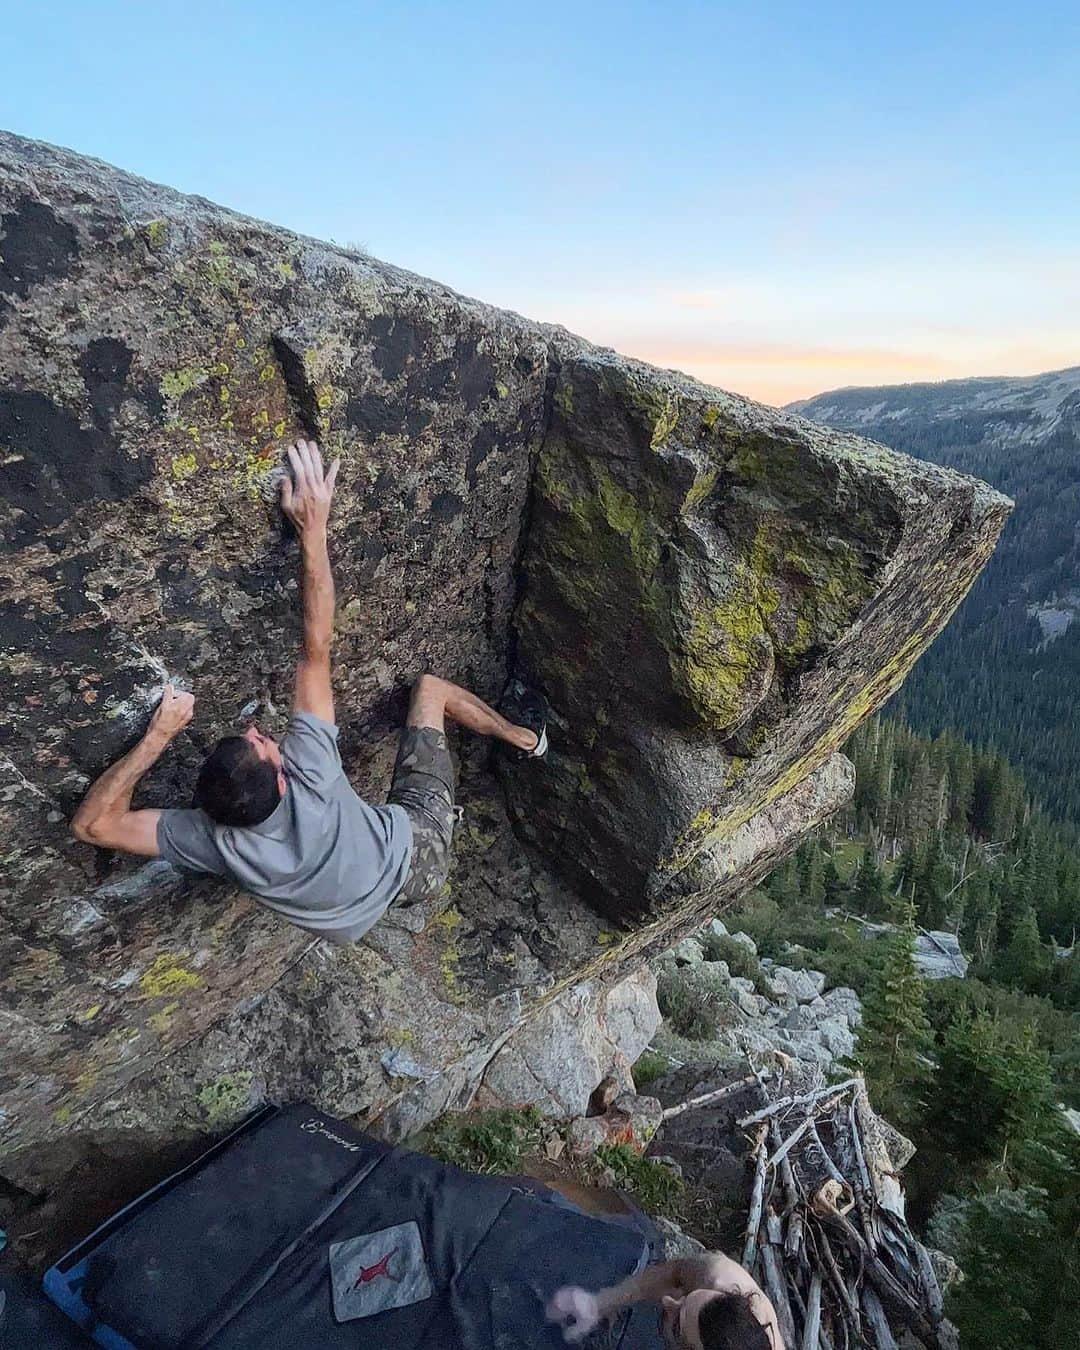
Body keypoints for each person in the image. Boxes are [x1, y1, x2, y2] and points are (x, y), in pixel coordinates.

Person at [70, 439, 547, 943]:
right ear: (283, 780)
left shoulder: (214, 842)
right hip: (418, 850)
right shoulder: (312, 773)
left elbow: (93, 826)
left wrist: (155, 739)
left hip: (372, 905)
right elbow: (316, 646)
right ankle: (523, 738)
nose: (259, 731)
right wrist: (313, 529)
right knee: (430, 691)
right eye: (264, 745)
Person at [547, 1251, 783, 1349]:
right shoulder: (716, 1274)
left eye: (678, 1323)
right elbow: (671, 1274)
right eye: (688, 1297)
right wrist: (602, 1302)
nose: (667, 1301)